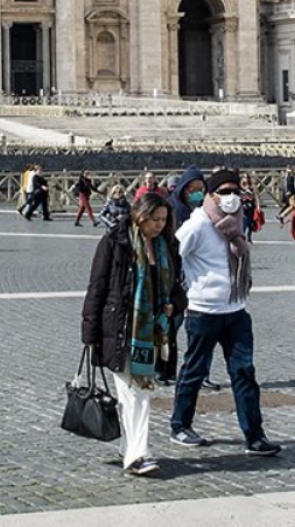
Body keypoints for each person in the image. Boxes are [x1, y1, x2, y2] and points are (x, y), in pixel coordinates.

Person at [170, 170, 282, 457]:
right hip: (203, 311)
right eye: (225, 191)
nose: (231, 197)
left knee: (244, 373)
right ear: (211, 194)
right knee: (194, 371)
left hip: (236, 309)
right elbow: (172, 255)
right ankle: (180, 425)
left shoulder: (237, 222)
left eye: (236, 191)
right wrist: (178, 294)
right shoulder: (196, 225)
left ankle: (255, 436)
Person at [82, 192, 185, 477]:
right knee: (137, 393)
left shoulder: (168, 245)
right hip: (121, 330)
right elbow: (97, 287)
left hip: (153, 333)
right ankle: (138, 455)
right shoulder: (115, 242)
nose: (160, 226)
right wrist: (90, 333)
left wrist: (174, 304)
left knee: (134, 394)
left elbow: (178, 288)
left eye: (164, 220)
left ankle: (129, 447)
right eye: (155, 220)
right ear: (140, 216)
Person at [160, 165, 206, 386]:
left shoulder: (204, 213)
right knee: (171, 325)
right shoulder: (172, 211)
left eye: (201, 189)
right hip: (176, 278)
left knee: (199, 330)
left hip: (196, 278)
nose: (197, 194)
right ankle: (164, 369)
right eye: (192, 189)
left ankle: (199, 373)